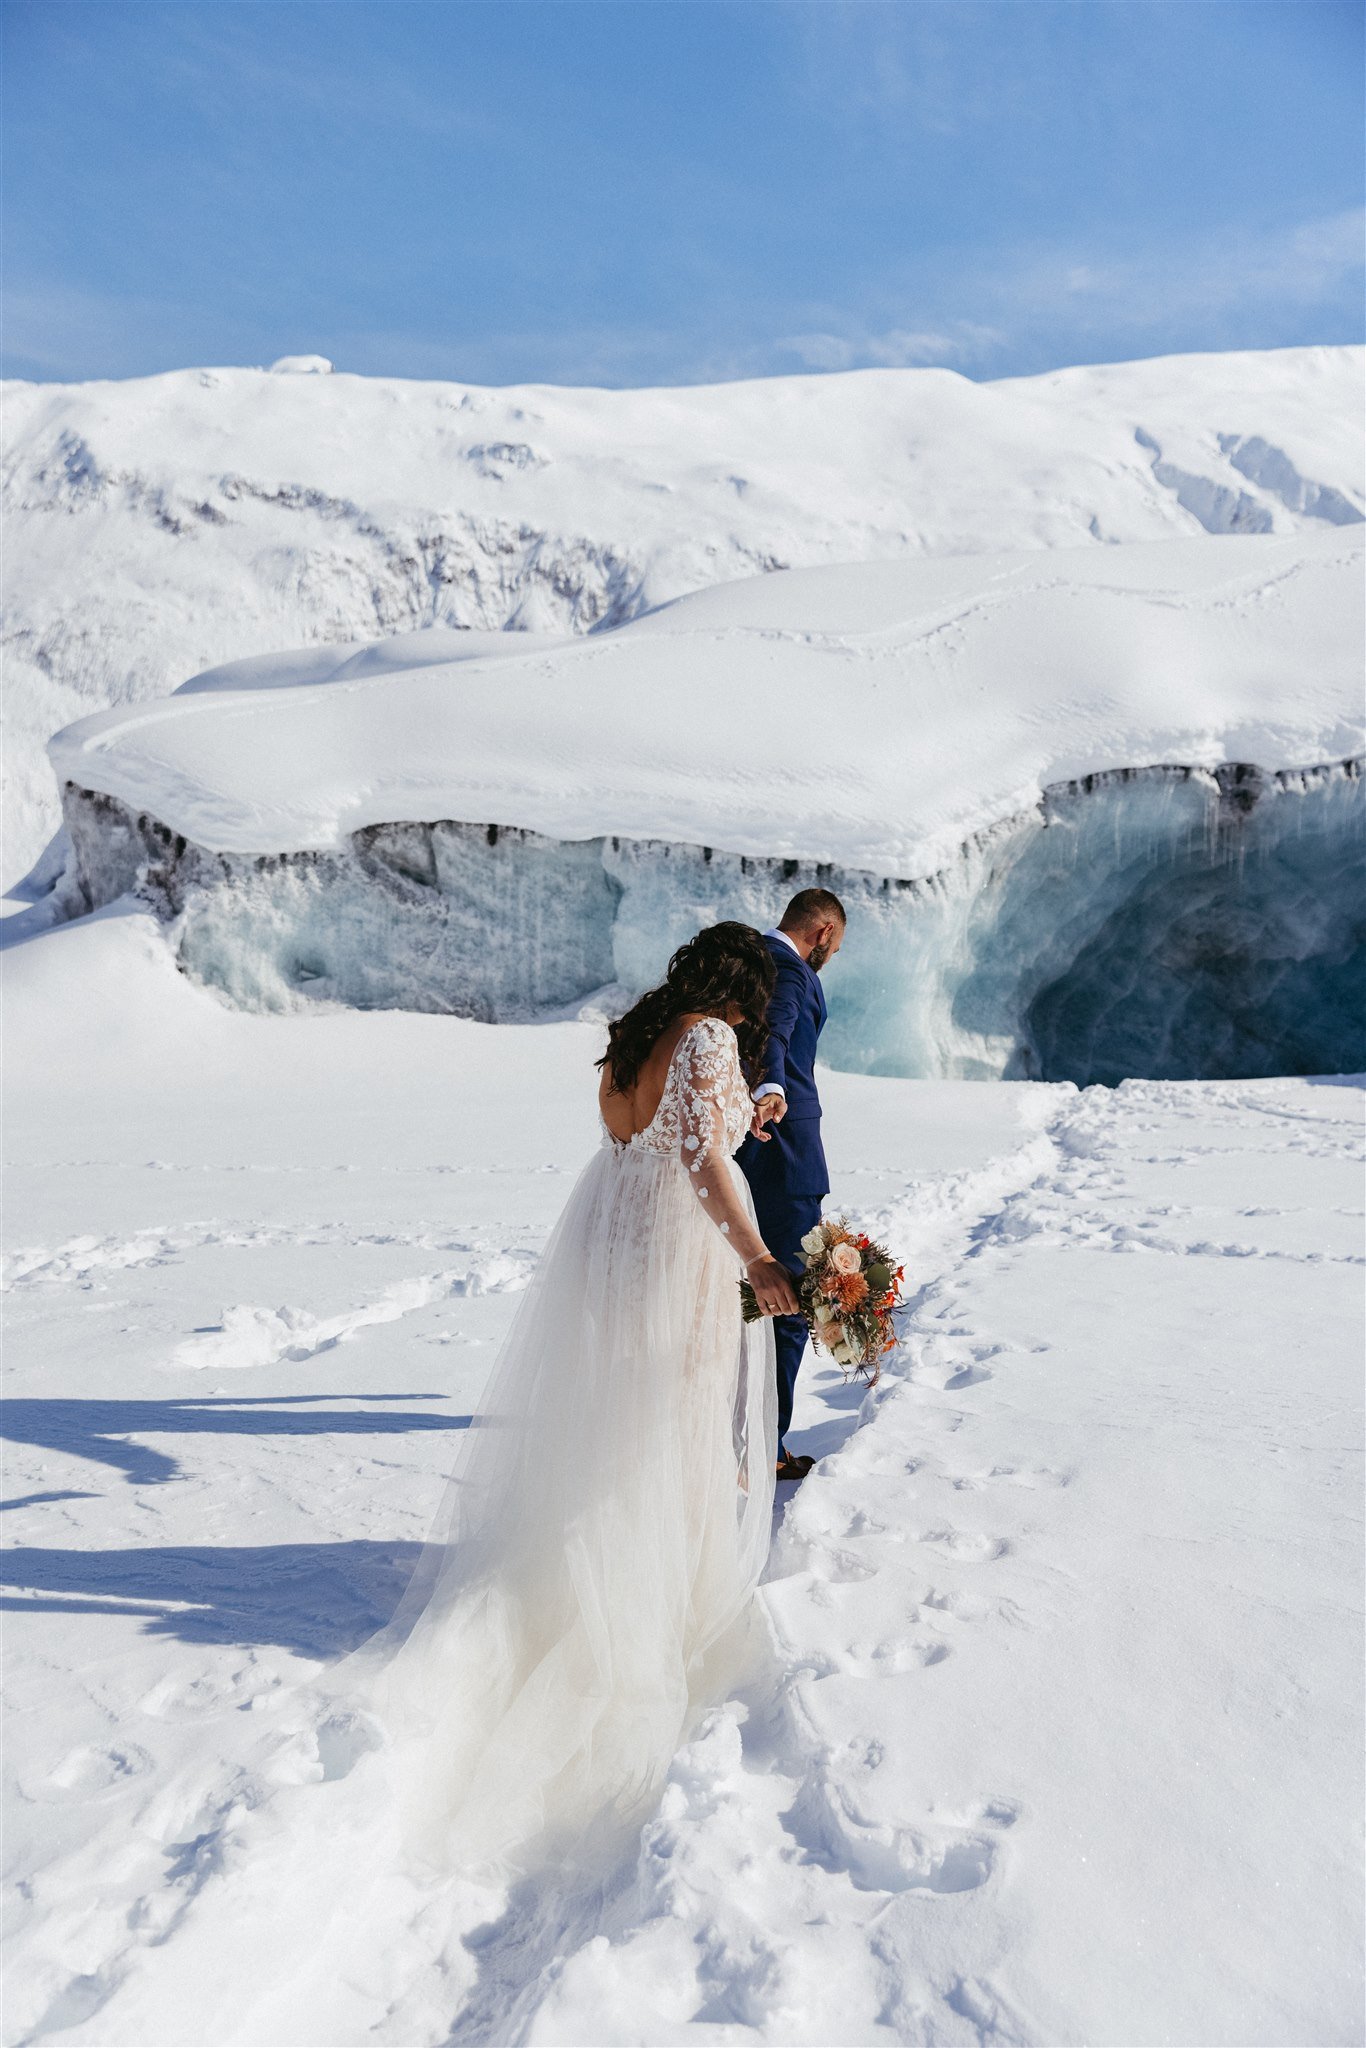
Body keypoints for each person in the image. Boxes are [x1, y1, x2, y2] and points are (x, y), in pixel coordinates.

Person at [315, 922, 798, 1880]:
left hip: (610, 1227)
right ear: (740, 990)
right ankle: (650, 1606)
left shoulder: (638, 1033)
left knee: (619, 1410)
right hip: (672, 1237)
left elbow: (660, 1129)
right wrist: (758, 1257)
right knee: (674, 1408)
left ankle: (591, 1567)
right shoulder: (706, 1036)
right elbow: (702, 1161)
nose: (752, 1023)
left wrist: (752, 1107)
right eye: (756, 1007)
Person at [736, 888, 847, 1482]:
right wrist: (770, 1087)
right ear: (824, 931)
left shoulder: (745, 959)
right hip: (783, 1155)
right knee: (788, 1299)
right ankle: (765, 1445)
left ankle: (737, 1428)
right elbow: (774, 1033)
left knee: (744, 1295)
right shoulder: (786, 967)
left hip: (747, 1154)